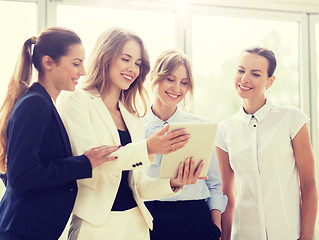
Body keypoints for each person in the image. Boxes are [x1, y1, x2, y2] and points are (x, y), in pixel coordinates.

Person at [57, 28, 204, 240]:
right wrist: (148, 148)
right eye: (126, 59)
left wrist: (174, 182)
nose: (132, 69)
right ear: (106, 57)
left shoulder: (132, 116)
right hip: (95, 225)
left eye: (138, 63)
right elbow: (89, 162)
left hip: (136, 224)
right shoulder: (75, 100)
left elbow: (139, 185)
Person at [0, 27, 121, 240]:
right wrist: (84, 162)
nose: (82, 72)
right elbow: (20, 176)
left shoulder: (43, 103)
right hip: (23, 231)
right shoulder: (35, 104)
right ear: (48, 62)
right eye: (76, 63)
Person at [215, 47, 318, 240]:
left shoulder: (292, 119)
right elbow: (226, 193)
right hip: (244, 234)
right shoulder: (224, 130)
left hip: (288, 233)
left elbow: (308, 183)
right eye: (241, 70)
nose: (245, 78)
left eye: (255, 74)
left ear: (270, 81)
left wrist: (307, 236)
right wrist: (225, 237)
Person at [144, 49, 227, 240]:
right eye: (170, 79)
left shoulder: (202, 127)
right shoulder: (134, 127)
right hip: (150, 217)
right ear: (154, 76)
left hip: (195, 216)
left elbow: (215, 184)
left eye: (184, 82)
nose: (177, 88)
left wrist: (215, 226)